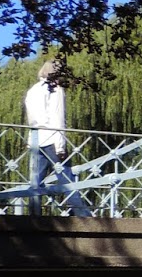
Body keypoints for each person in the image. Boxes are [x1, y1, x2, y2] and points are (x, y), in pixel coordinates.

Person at [24, 60, 92, 217]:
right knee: (66, 177)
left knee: (36, 181)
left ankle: (33, 215)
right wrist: (60, 146)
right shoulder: (55, 89)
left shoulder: (33, 90)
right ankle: (82, 215)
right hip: (52, 139)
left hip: (35, 139)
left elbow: (32, 118)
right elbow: (57, 117)